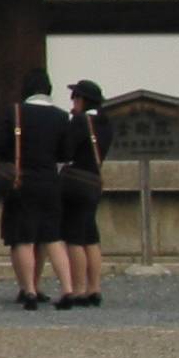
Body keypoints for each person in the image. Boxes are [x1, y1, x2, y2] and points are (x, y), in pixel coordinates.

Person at [0, 68, 78, 310]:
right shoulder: (62, 117)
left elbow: (1, 146)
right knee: (53, 237)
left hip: (22, 181)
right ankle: (67, 289)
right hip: (50, 181)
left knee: (23, 238)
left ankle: (29, 290)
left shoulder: (16, 113)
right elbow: (66, 152)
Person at [61, 79, 114, 308]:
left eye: (75, 97)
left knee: (74, 237)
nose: (73, 101)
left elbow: (66, 150)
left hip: (75, 181)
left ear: (82, 99)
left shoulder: (81, 122)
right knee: (91, 236)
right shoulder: (106, 123)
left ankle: (79, 289)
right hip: (94, 180)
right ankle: (94, 288)